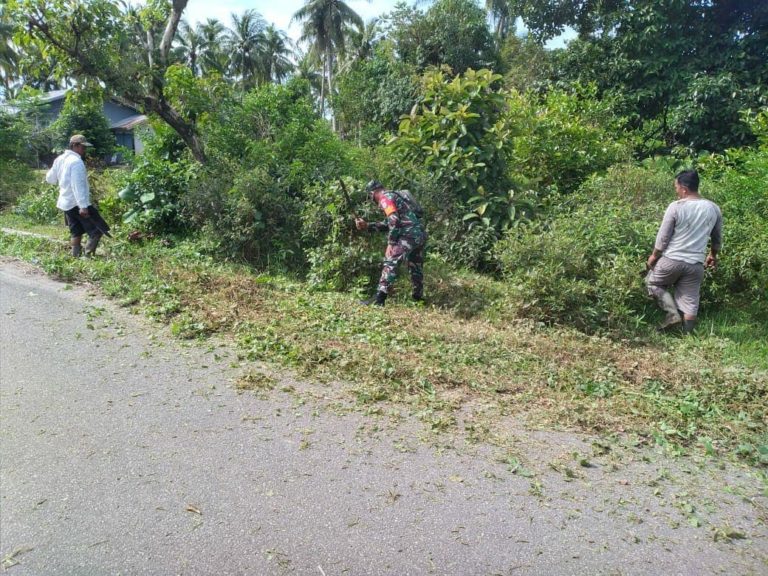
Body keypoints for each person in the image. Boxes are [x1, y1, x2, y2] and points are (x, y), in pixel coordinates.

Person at [646, 169, 722, 333]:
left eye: (676, 187)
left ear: (684, 189)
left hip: (671, 260)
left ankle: (672, 314)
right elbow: (717, 239)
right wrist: (712, 256)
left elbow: (663, 238)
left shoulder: (676, 207)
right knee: (690, 300)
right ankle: (687, 336)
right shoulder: (713, 208)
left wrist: (653, 256)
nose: (676, 191)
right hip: (695, 265)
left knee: (652, 282)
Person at [355, 180, 427, 306]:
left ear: (373, 193)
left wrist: (391, 243)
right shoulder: (396, 196)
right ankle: (418, 298)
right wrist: (367, 226)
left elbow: (394, 221)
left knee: (391, 261)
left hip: (408, 235)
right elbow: (389, 224)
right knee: (416, 266)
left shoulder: (385, 198)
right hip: (419, 234)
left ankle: (379, 299)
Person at [46, 134, 110, 257]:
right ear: (74, 145)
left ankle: (75, 256)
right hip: (77, 203)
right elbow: (78, 186)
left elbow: (50, 179)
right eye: (82, 147)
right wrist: (83, 206)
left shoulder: (59, 159)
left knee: (76, 231)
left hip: (66, 203)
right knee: (97, 230)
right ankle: (87, 256)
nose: (84, 150)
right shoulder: (76, 162)